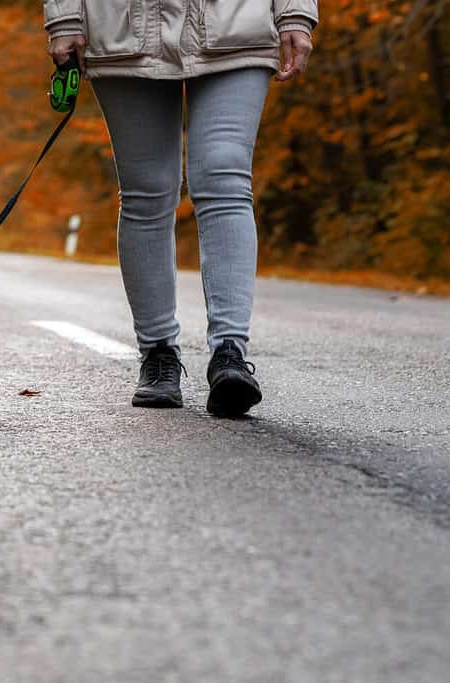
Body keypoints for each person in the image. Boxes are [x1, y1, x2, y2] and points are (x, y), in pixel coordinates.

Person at [43, 0, 316, 416]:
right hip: (122, 26)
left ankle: (230, 354)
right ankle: (157, 355)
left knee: (224, 179)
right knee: (146, 192)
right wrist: (64, 15)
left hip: (236, 20)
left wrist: (295, 12)